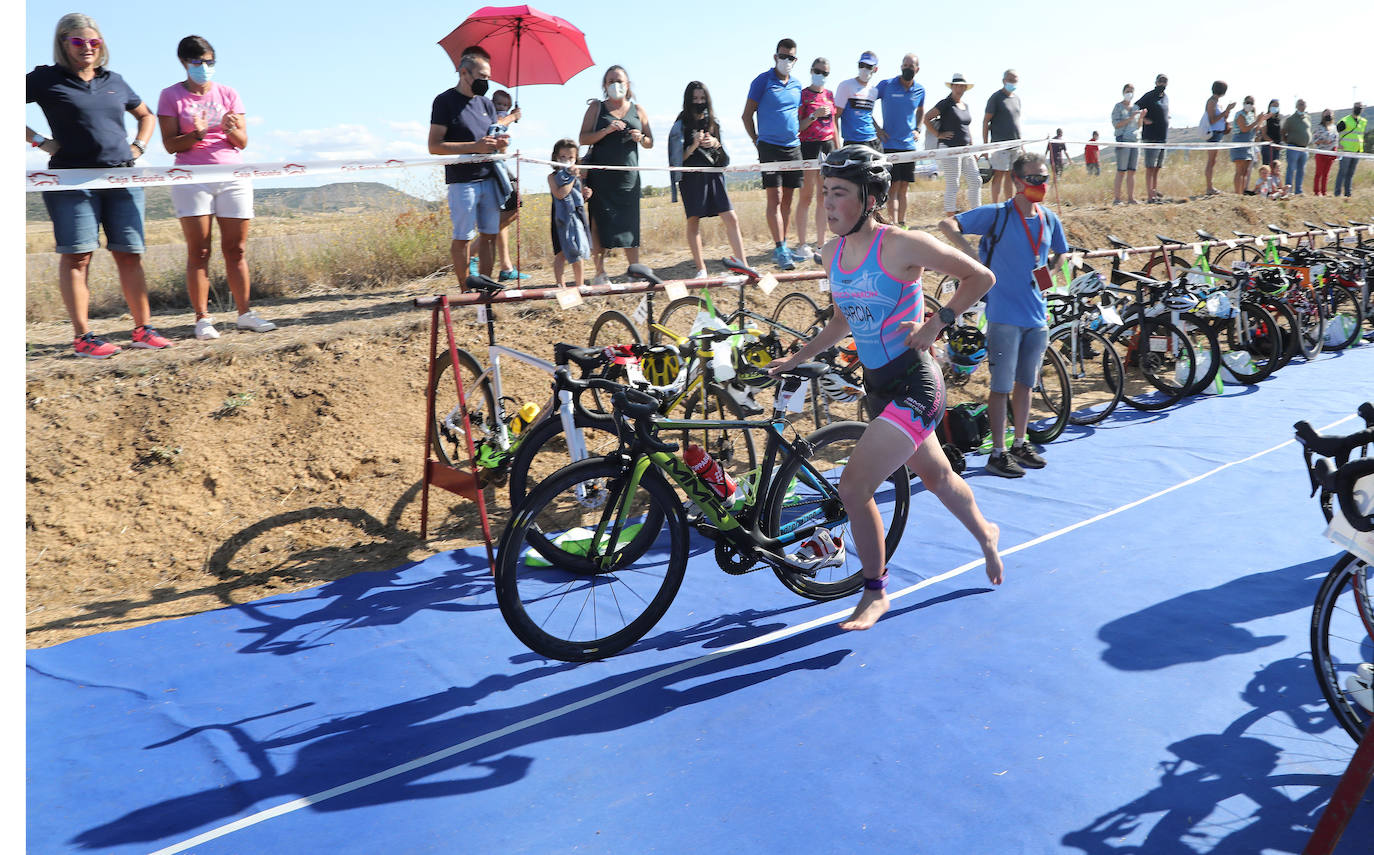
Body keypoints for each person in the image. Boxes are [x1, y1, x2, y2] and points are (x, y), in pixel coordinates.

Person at [767, 146, 1003, 631]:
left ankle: (874, 591)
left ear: (871, 197)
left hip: (916, 382)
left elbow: (980, 276)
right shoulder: (833, 253)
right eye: (825, 193)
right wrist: (796, 357)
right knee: (936, 477)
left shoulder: (901, 244)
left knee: (853, 487)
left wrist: (938, 321)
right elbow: (840, 322)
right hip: (877, 388)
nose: (828, 204)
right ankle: (986, 533)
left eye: (840, 194)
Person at [27, 12, 168, 358]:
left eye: (93, 42)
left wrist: (139, 147)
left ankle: (142, 330)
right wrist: (39, 141)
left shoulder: (115, 80)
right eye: (78, 42)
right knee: (78, 256)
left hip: (122, 177)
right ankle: (84, 338)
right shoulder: (46, 79)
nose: (87, 48)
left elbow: (146, 115)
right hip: (71, 180)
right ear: (63, 44)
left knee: (130, 254)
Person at [939, 152, 1067, 479]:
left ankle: (1020, 443)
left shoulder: (1049, 219)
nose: (1041, 184)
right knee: (1000, 387)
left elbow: (1061, 253)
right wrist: (971, 259)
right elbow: (947, 224)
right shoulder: (998, 214)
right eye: (1034, 178)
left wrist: (1048, 275)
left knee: (1026, 384)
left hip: (1038, 319)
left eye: (1044, 178)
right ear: (1017, 181)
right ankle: (998, 451)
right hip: (1003, 318)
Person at [156, 35, 274, 341]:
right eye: (198, 62)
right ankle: (203, 318)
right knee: (200, 250)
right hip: (192, 178)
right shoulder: (170, 96)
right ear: (184, 63)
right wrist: (197, 134)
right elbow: (170, 144)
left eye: (210, 62)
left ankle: (245, 314)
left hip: (232, 176)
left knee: (236, 249)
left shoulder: (229, 93)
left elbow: (243, 142)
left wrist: (232, 129)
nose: (205, 68)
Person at [428, 46, 508, 290]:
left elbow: (493, 141)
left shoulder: (486, 104)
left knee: (490, 235)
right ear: (464, 73)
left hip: (489, 177)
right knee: (463, 235)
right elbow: (434, 145)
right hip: (462, 181)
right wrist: (474, 146)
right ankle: (465, 288)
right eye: (482, 77)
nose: (486, 82)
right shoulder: (444, 101)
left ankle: (486, 286)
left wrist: (500, 144)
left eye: (488, 77)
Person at [580, 65, 653, 285]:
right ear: (604, 85)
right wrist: (606, 131)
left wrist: (640, 137)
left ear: (627, 84)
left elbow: (650, 142)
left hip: (628, 177)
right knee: (599, 223)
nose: (615, 85)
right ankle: (600, 273)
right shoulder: (596, 107)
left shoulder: (638, 109)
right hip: (601, 178)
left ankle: (634, 271)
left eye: (619, 80)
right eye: (611, 81)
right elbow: (583, 139)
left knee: (630, 224)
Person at [667, 81, 748, 278]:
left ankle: (743, 265)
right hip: (692, 178)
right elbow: (676, 161)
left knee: (731, 217)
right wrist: (693, 145)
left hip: (714, 175)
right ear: (688, 100)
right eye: (695, 99)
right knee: (693, 220)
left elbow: (724, 158)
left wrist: (715, 143)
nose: (699, 102)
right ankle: (701, 268)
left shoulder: (713, 122)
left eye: (702, 98)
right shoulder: (681, 124)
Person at [743, 38, 804, 271]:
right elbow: (746, 115)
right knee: (775, 198)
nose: (786, 60)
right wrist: (756, 140)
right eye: (782, 56)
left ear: (795, 60)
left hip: (793, 147)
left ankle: (784, 246)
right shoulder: (762, 81)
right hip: (769, 147)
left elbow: (794, 116)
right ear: (775, 56)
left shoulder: (797, 85)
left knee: (788, 199)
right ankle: (779, 248)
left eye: (791, 57)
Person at [876, 53, 925, 227]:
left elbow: (921, 110)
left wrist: (918, 129)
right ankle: (893, 224)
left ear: (917, 69)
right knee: (893, 187)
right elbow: (866, 104)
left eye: (910, 66)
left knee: (904, 187)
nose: (907, 68)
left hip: (909, 146)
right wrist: (877, 129)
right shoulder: (886, 85)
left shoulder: (920, 90)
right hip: (890, 145)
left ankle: (902, 224)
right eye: (904, 65)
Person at [794, 57, 836, 260]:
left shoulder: (829, 95)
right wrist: (814, 116)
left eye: (825, 72)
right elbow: (798, 126)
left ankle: (821, 243)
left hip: (827, 146)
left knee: (824, 196)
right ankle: (802, 244)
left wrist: (838, 148)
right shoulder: (802, 95)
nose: (821, 75)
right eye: (818, 71)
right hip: (808, 145)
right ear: (811, 70)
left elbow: (834, 125)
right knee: (806, 196)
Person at [924, 72, 981, 216]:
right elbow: (927, 118)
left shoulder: (965, 106)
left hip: (966, 149)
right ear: (952, 87)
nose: (959, 89)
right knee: (953, 183)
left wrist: (973, 148)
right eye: (957, 86)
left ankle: (977, 212)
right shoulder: (945, 103)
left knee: (976, 180)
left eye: (962, 86)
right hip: (950, 148)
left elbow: (966, 128)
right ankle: (950, 215)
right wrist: (938, 134)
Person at [487, 89, 528, 283]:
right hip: (494, 167)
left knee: (504, 215)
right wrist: (512, 116)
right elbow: (494, 129)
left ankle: (506, 267)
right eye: (499, 105)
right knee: (513, 208)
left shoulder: (503, 119)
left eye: (505, 105)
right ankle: (474, 252)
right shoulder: (493, 118)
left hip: (500, 163)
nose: (502, 109)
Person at [547, 139, 592, 288]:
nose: (567, 161)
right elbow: (561, 194)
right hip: (560, 219)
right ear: (556, 157)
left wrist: (585, 194)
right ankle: (561, 285)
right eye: (563, 157)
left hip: (576, 217)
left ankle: (580, 285)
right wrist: (572, 177)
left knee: (578, 251)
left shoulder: (577, 177)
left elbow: (577, 198)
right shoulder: (552, 177)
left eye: (571, 158)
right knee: (561, 253)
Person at [983, 70, 1022, 203]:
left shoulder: (1016, 99)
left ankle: (1009, 203)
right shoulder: (996, 98)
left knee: (1011, 175)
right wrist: (986, 145)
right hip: (999, 144)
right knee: (999, 174)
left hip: (1015, 144)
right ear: (1004, 80)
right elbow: (985, 121)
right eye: (1010, 80)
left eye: (1015, 80)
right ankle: (995, 206)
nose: (1013, 82)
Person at [833, 51, 881, 149]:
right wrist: (837, 148)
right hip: (852, 143)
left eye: (868, 66)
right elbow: (834, 117)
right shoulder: (846, 86)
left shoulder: (874, 90)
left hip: (873, 141)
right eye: (861, 65)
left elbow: (867, 115)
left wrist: (879, 130)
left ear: (875, 69)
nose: (864, 69)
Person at [1135, 74, 1170, 203]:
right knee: (1150, 167)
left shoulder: (1165, 97)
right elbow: (1135, 108)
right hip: (1151, 137)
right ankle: (1150, 196)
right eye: (1160, 81)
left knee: (1157, 167)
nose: (1162, 84)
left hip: (1163, 137)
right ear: (1156, 82)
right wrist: (1143, 119)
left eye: (1165, 81)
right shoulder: (1149, 96)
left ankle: (1154, 192)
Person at [1111, 84, 1145, 205]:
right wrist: (1130, 118)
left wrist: (1141, 117)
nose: (1129, 93)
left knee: (1132, 171)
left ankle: (1131, 198)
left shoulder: (1136, 107)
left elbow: (1139, 126)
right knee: (1121, 170)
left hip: (1135, 141)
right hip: (1123, 140)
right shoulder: (1118, 107)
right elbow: (1116, 124)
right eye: (1127, 91)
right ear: (1123, 92)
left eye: (1131, 91)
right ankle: (1117, 198)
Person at [1202, 81, 1236, 196]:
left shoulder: (1217, 102)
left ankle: (1210, 186)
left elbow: (1222, 117)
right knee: (1211, 161)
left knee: (1213, 161)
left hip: (1219, 133)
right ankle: (1209, 187)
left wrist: (1227, 112)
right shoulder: (1211, 102)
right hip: (1213, 134)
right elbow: (1212, 120)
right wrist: (1225, 111)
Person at [1334, 102, 1366, 198]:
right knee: (1342, 172)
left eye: (1360, 108)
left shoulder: (1363, 121)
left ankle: (1348, 194)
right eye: (1357, 107)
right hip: (1346, 150)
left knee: (1351, 173)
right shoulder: (1345, 120)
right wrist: (1337, 144)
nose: (1358, 109)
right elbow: (1335, 133)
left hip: (1357, 151)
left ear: (1362, 109)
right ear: (1353, 108)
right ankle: (1337, 194)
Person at [1282, 99, 1311, 195]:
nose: (1302, 106)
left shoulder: (1308, 118)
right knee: (1291, 169)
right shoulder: (1291, 119)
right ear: (1296, 106)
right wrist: (1288, 141)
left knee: (1301, 170)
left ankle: (1298, 191)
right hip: (1293, 147)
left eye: (1304, 104)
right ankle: (1288, 190)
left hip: (1304, 148)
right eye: (1300, 104)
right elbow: (1283, 131)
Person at [1231, 96, 1259, 195]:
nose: (1249, 104)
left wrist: (1259, 120)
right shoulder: (1239, 115)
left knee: (1245, 171)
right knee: (1239, 170)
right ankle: (1237, 193)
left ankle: (1242, 192)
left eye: (1251, 103)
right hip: (1240, 143)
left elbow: (1255, 130)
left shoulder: (1251, 116)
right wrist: (1257, 121)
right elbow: (1244, 129)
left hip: (1249, 145)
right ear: (1244, 103)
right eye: (1248, 102)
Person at [1312, 110, 1339, 196]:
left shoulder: (1334, 127)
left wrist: (1335, 151)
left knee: (1326, 174)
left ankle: (1324, 192)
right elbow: (1314, 140)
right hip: (1320, 153)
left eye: (1330, 114)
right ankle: (1317, 191)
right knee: (1318, 173)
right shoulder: (1319, 127)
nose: (1328, 115)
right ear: (1323, 115)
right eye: (1326, 114)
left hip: (1330, 153)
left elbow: (1336, 139)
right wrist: (1322, 141)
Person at [1260, 98, 1282, 167]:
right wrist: (1273, 143)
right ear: (1269, 106)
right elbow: (1264, 134)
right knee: (1267, 168)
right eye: (1274, 105)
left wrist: (1278, 144)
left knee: (1275, 168)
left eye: (1277, 106)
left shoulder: (1278, 119)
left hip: (1276, 148)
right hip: (1268, 147)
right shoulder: (1265, 118)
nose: (1275, 107)